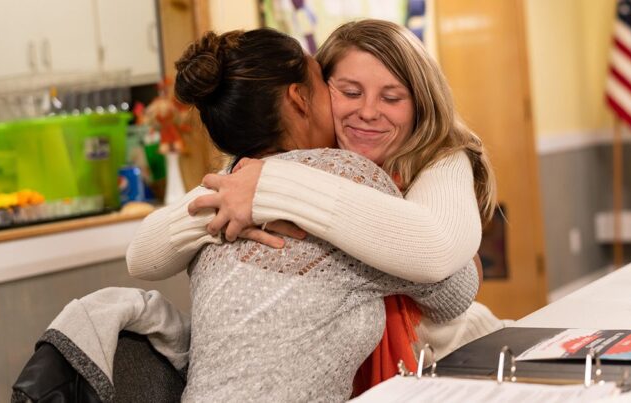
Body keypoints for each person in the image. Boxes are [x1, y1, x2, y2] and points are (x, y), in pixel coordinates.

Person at [127, 19, 504, 371]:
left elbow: (435, 253)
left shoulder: (442, 159)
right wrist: (245, 197)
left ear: (422, 104)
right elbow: (142, 255)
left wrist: (270, 191)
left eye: (392, 98)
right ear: (315, 94)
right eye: (350, 91)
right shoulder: (259, 173)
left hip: (459, 358)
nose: (368, 112)